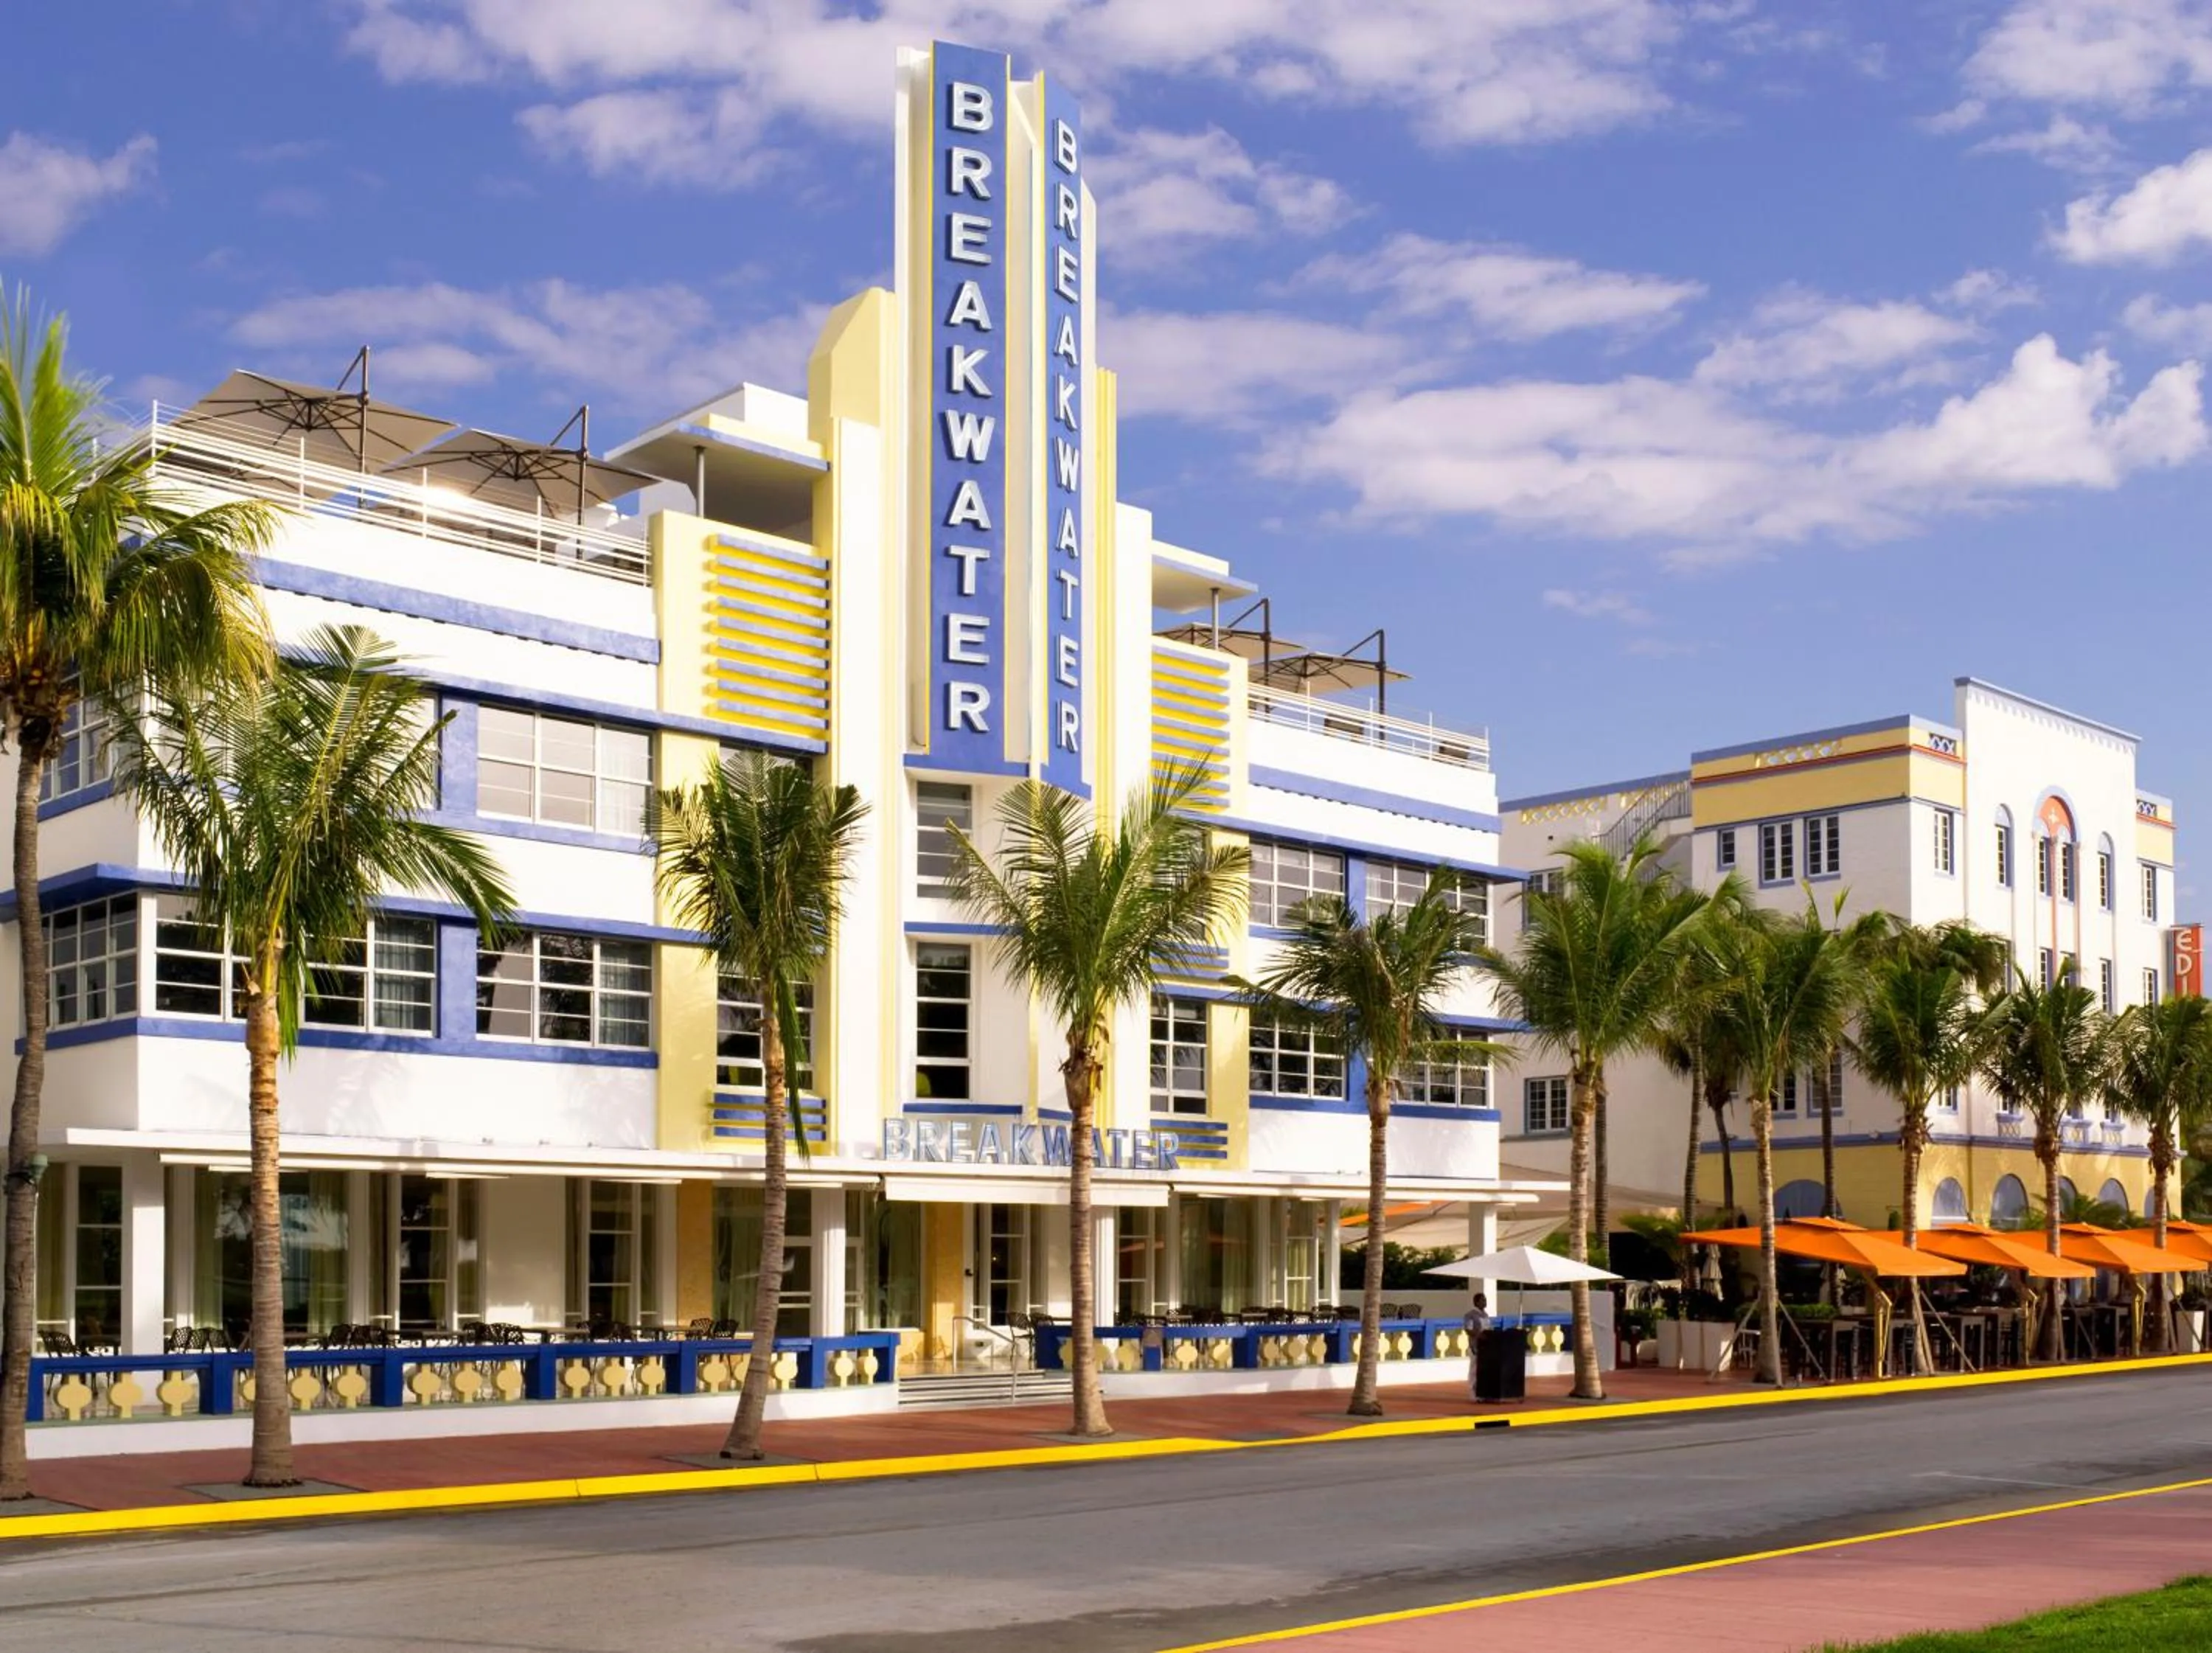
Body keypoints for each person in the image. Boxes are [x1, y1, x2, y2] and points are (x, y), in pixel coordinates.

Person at [1462, 1292, 1491, 1399]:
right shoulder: (1470, 1315)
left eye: (1485, 1300)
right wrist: (1479, 1336)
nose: (1485, 1302)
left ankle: (1483, 1392)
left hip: (1486, 1346)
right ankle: (1473, 1392)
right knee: (1474, 1369)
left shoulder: (1486, 1315)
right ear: (1477, 1302)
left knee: (1483, 1370)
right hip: (1475, 1346)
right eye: (1483, 1300)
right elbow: (1468, 1330)